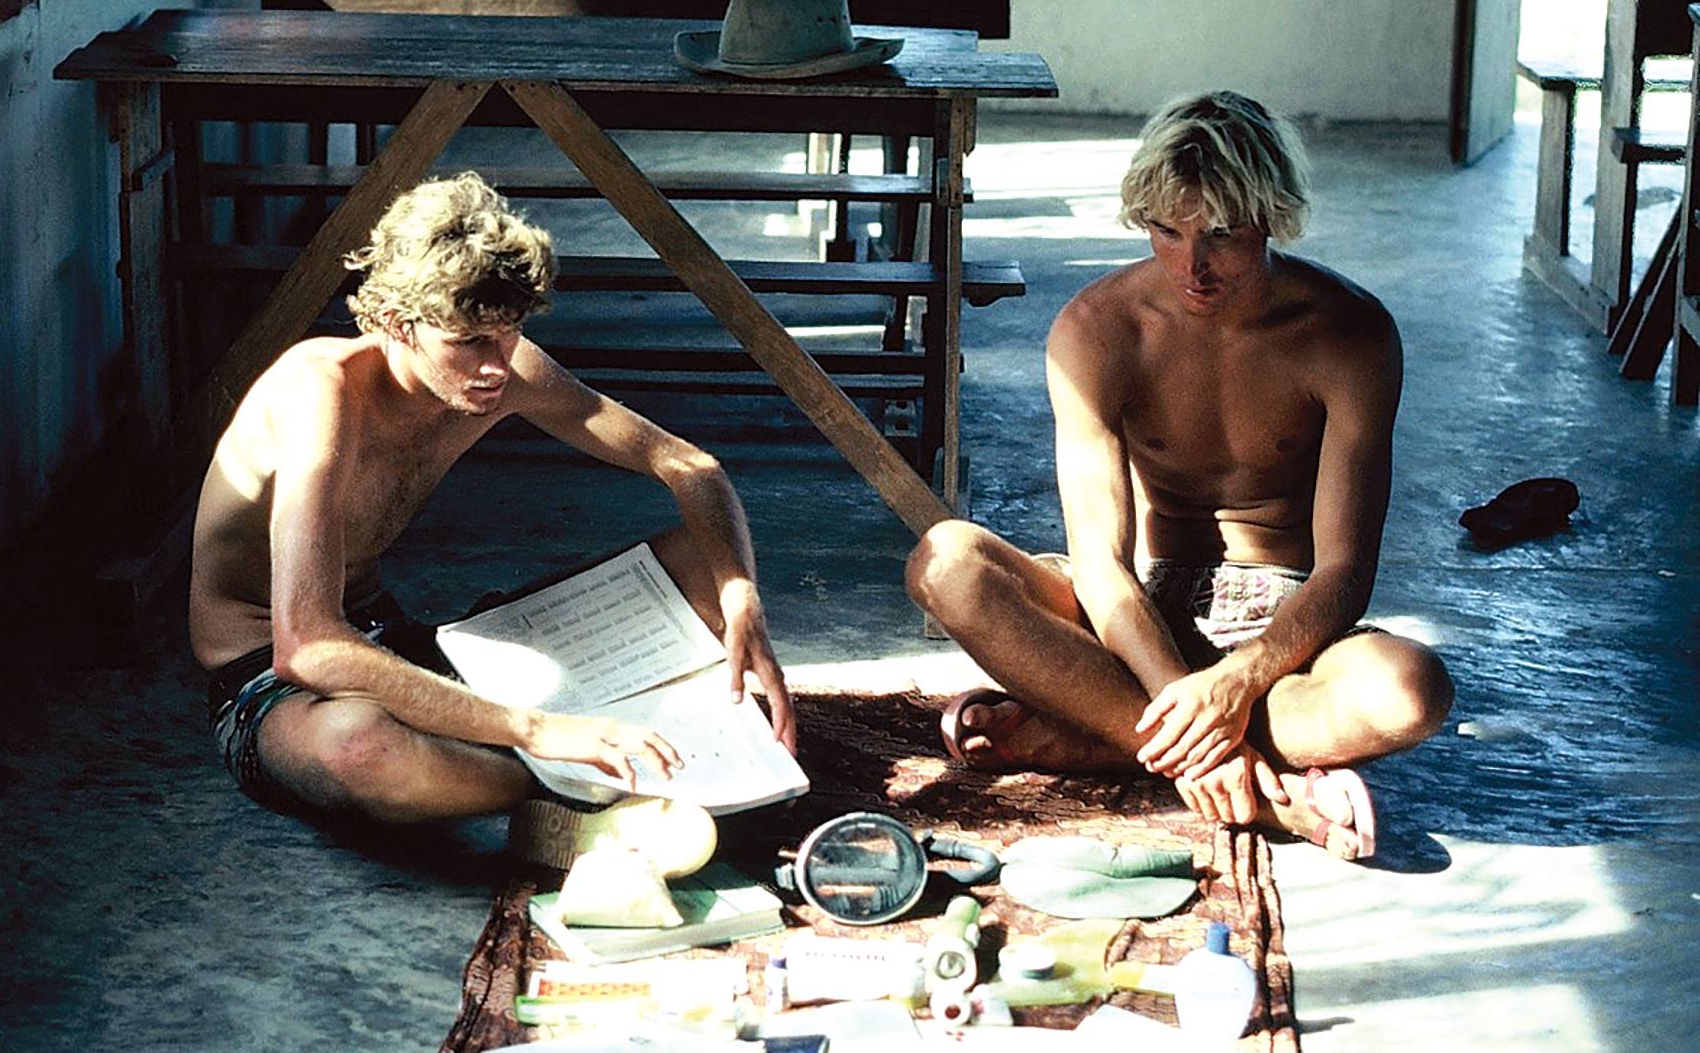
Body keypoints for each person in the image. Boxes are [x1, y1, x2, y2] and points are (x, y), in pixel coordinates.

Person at [906, 91, 1451, 860]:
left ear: (1270, 216)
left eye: (1222, 236)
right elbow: (1100, 566)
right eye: (1167, 231)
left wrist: (1237, 682)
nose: (1191, 265)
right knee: (947, 563)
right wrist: (1181, 698)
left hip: (1285, 622)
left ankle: (1095, 741)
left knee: (1410, 693)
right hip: (1133, 614)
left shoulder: (1348, 334)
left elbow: (1344, 571)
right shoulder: (1096, 330)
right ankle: (1247, 781)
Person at [189, 173, 793, 827]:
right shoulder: (321, 391)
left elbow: (689, 466)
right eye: (468, 343)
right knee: (361, 751)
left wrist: (742, 598)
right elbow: (305, 645)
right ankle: (590, 788)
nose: (495, 368)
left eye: (508, 335)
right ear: (398, 322)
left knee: (713, 565)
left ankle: (575, 768)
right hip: (276, 683)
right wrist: (535, 731)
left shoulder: (506, 366)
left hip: (406, 642)